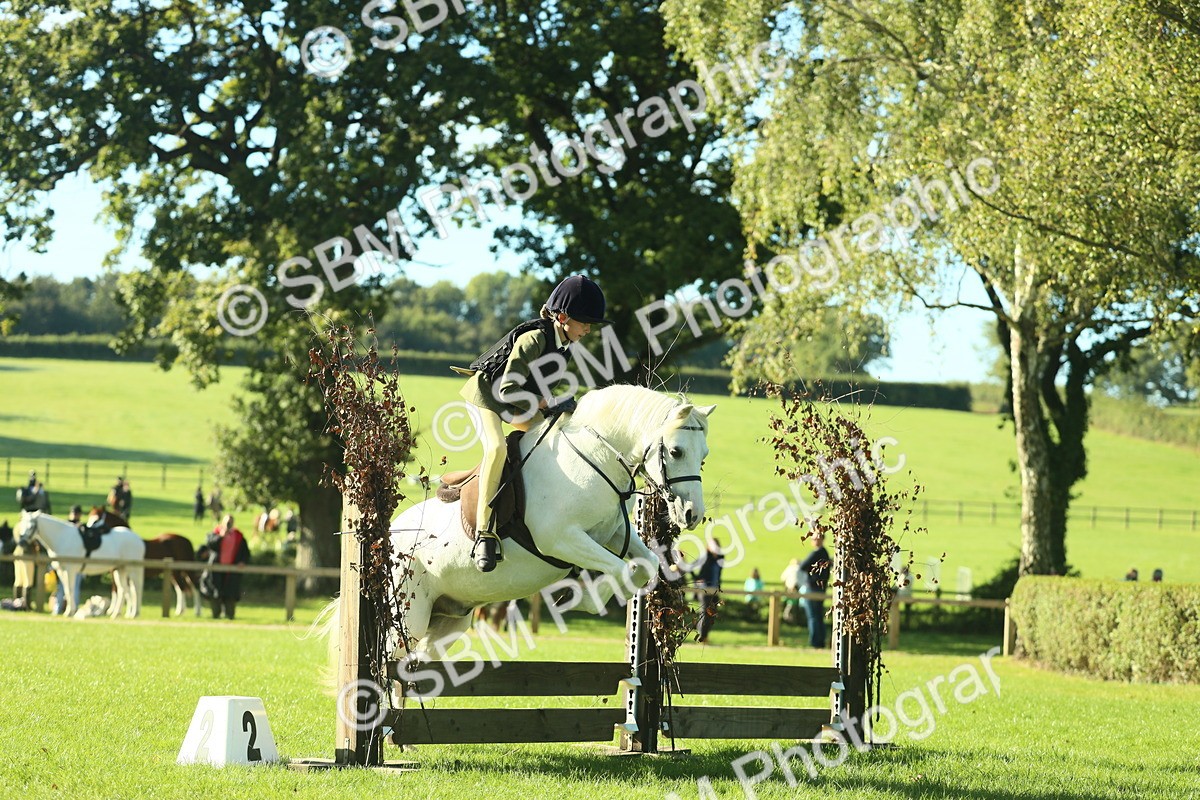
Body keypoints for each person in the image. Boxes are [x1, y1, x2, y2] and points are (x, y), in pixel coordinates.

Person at [452, 274, 611, 572]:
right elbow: (506, 390)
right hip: (486, 394)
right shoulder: (535, 338)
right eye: (584, 322)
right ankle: (485, 533)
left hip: (513, 399)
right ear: (562, 317)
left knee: (553, 442)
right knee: (497, 449)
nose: (588, 329)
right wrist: (545, 403)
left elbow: (540, 386)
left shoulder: (565, 343)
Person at [205, 515, 250, 620]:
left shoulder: (238, 536)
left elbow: (245, 553)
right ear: (222, 522)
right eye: (226, 522)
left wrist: (242, 562)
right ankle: (215, 615)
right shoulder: (215, 533)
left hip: (231, 572)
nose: (228, 524)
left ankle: (230, 616)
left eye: (230, 522)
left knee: (230, 595)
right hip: (216, 571)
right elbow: (210, 546)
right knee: (215, 594)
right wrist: (220, 536)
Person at [799, 533, 832, 649]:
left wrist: (810, 571)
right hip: (821, 588)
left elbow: (802, 566)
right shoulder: (825, 553)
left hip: (812, 588)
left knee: (813, 616)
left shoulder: (816, 553)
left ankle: (815, 642)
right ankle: (821, 641)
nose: (814, 540)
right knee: (818, 616)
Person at [694, 538, 724, 643]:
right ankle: (701, 637)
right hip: (704, 589)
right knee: (704, 613)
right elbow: (691, 567)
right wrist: (697, 579)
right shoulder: (705, 556)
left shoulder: (720, 558)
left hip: (715, 589)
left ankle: (705, 636)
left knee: (712, 614)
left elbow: (719, 574)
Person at [780, 557, 801, 624]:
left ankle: (787, 619)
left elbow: (783, 578)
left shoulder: (790, 568)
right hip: (797, 588)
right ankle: (794, 620)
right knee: (795, 605)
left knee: (789, 604)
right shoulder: (800, 569)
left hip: (789, 588)